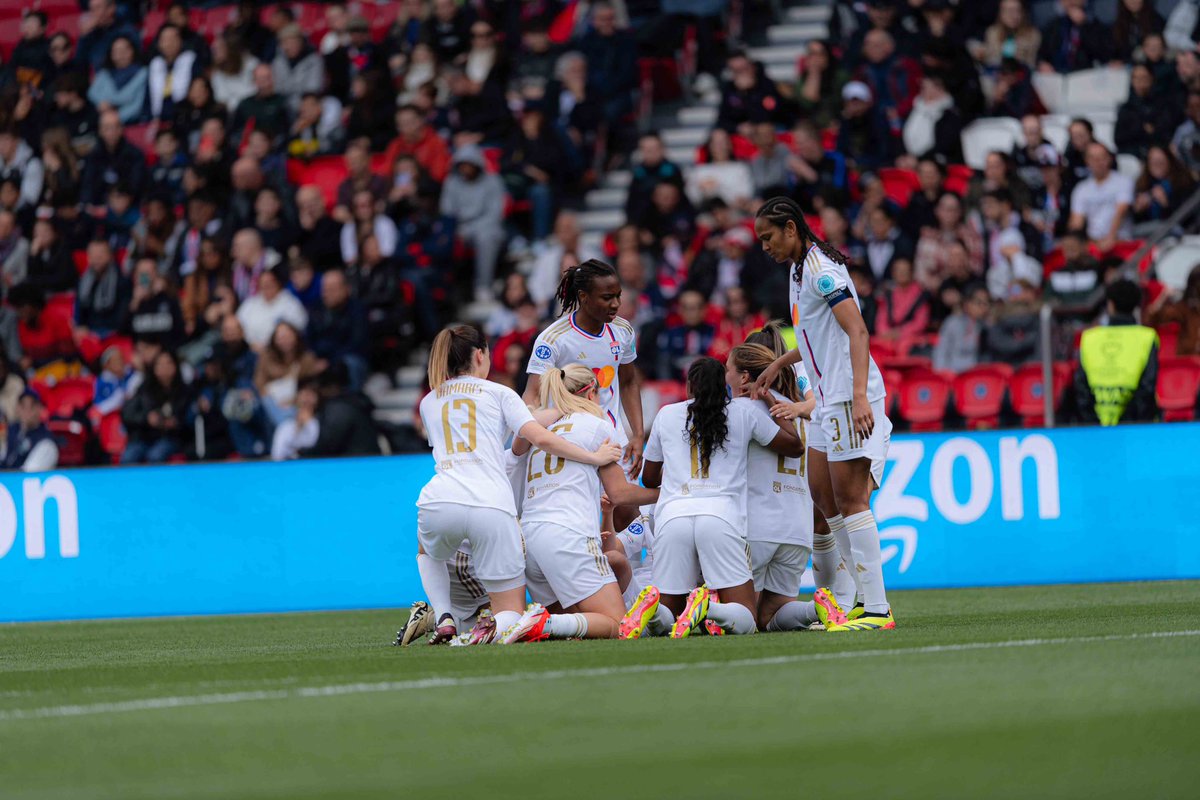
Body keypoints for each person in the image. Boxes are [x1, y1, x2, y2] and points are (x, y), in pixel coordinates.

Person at [415, 325, 621, 644]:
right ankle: (500, 625)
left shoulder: (429, 402)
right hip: (493, 505)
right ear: (480, 355)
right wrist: (592, 457)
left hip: (440, 498)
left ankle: (444, 616)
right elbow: (537, 436)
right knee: (510, 610)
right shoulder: (499, 393)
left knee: (426, 551)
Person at [751, 196, 895, 631]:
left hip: (847, 397)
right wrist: (780, 362)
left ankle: (878, 609)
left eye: (768, 237)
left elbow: (857, 330)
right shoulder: (799, 271)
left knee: (851, 501)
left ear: (791, 229)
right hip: (829, 398)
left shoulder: (821, 272)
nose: (765, 246)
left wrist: (859, 397)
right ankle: (854, 602)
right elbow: (817, 335)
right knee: (824, 498)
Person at [619, 357, 803, 639]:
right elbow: (794, 447)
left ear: (690, 386)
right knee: (745, 618)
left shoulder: (667, 415)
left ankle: (652, 610)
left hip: (673, 517)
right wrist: (766, 397)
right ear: (723, 386)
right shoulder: (743, 413)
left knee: (669, 619)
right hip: (721, 517)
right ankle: (708, 608)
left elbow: (649, 478)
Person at [501, 364, 661, 643]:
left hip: (529, 539)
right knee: (618, 624)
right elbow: (620, 493)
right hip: (568, 534)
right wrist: (665, 494)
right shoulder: (597, 425)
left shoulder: (541, 427)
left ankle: (540, 622)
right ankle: (545, 623)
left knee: (581, 629)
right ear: (590, 393)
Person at [722, 341, 823, 631]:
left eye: (728, 369)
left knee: (744, 615)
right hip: (798, 529)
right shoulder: (799, 411)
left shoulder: (741, 408)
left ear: (743, 378)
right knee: (772, 616)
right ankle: (817, 609)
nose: (724, 375)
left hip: (756, 526)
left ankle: (707, 608)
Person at [524, 260, 644, 475]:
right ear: (583, 297)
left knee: (625, 506)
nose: (616, 304)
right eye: (607, 298)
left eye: (618, 295)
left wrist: (638, 434)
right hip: (569, 440)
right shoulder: (552, 339)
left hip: (611, 436)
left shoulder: (623, 330)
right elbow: (532, 394)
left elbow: (628, 382)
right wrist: (529, 438)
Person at [1072, 280, 1159, 426]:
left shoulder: (1089, 337)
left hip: (1093, 429)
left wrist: (1092, 422)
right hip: (1135, 428)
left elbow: (1081, 387)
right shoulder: (1147, 336)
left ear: (1110, 305)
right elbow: (1147, 387)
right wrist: (1125, 423)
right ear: (1137, 305)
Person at [439, 144, 506, 304]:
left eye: (469, 163)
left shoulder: (492, 181)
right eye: (462, 164)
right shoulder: (451, 182)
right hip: (460, 227)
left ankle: (483, 286)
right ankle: (449, 292)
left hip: (486, 225)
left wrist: (477, 228)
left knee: (487, 237)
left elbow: (496, 212)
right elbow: (447, 211)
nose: (465, 168)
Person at [121, 350, 190, 464]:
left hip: (172, 438)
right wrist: (147, 419)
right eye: (160, 364)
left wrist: (176, 423)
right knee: (129, 457)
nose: (164, 368)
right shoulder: (144, 389)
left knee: (156, 455)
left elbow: (190, 418)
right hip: (145, 436)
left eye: (168, 363)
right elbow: (127, 414)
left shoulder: (185, 390)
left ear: (176, 366)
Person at [1069, 143, 1135, 251]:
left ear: (1109, 159)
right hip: (1093, 243)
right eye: (1093, 158)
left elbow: (1121, 211)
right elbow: (1077, 222)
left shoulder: (1123, 181)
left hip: (1120, 241)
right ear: (1087, 161)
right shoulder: (1081, 189)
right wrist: (1074, 240)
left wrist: (1111, 237)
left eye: (1102, 158)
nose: (1098, 162)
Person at [933, 284, 991, 373]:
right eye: (979, 303)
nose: (983, 307)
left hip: (975, 376)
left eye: (986, 303)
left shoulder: (986, 327)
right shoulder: (952, 323)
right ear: (966, 303)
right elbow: (941, 352)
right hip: (952, 375)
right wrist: (942, 374)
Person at [1, 390, 58, 472]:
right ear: (17, 408)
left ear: (40, 408)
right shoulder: (11, 431)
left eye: (32, 406)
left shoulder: (46, 440)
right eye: (23, 405)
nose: (27, 410)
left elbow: (28, 475)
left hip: (19, 482)